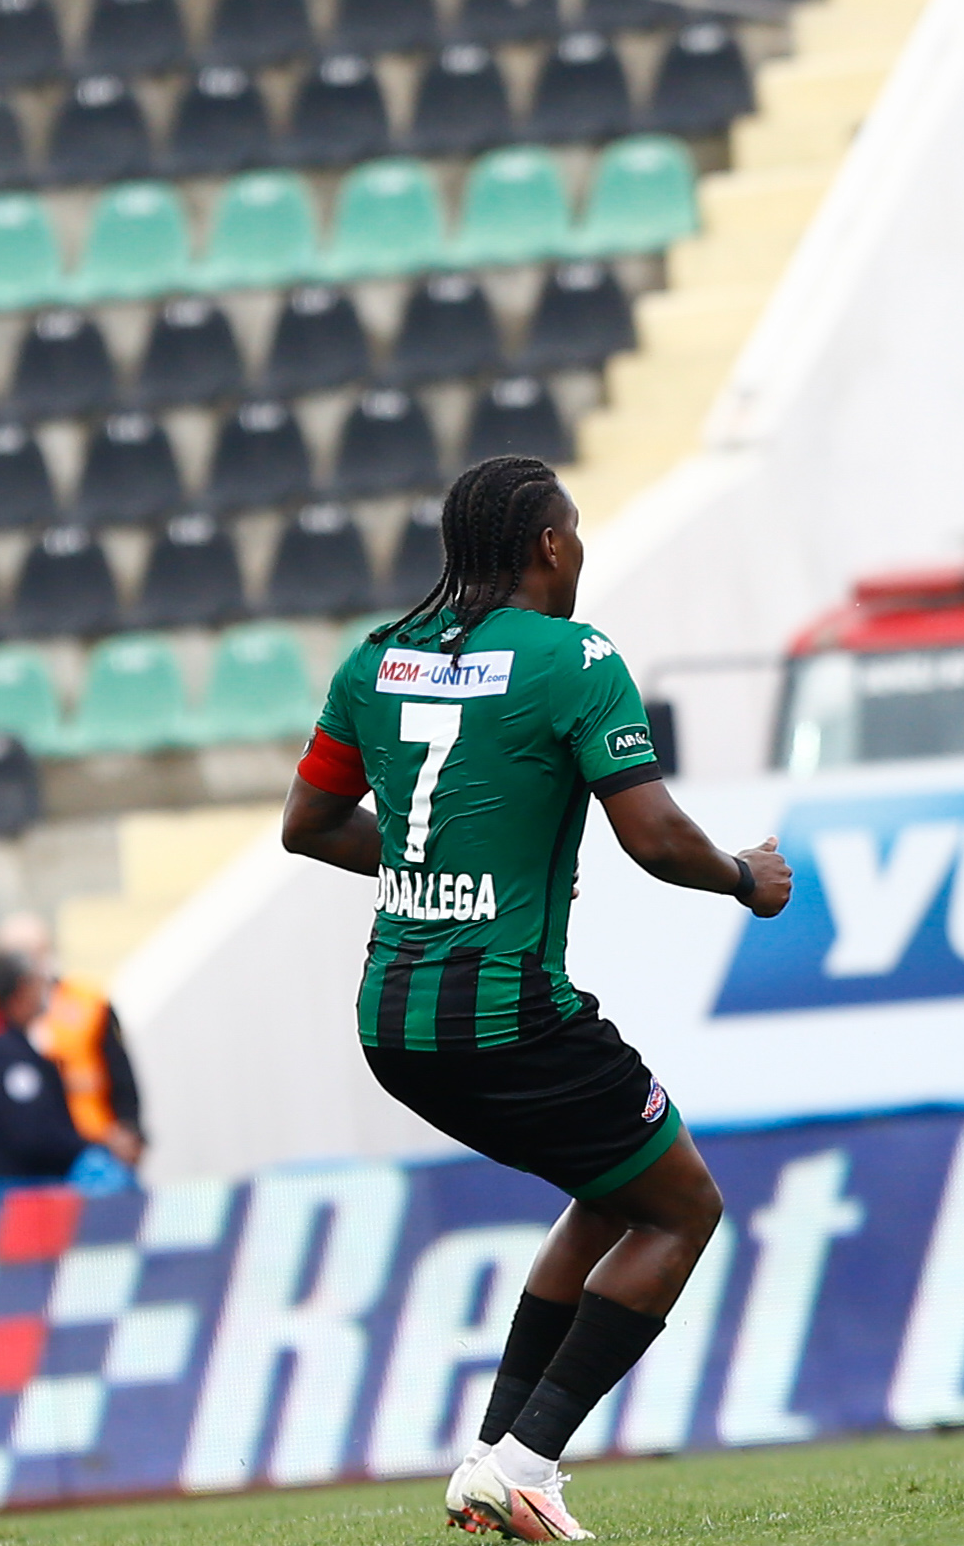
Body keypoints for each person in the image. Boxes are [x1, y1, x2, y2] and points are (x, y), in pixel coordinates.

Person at [280, 453, 791, 1543]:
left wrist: (438, 863)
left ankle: (491, 1459)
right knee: (682, 1206)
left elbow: (308, 826)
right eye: (575, 531)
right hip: (507, 1014)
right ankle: (525, 1463)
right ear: (550, 545)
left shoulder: (376, 657)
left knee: (610, 1191)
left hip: (392, 1024)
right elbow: (654, 837)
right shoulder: (573, 657)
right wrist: (743, 877)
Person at [0, 912, 145, 1168]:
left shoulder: (87, 1003)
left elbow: (120, 1075)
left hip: (92, 1146)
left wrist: (129, 1130)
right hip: (26, 1162)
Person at [0, 952, 90, 1183]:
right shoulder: (2, 1057)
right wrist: (93, 1149)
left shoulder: (2, 1048)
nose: (49, 990)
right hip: (0, 1197)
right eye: (41, 982)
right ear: (24, 989)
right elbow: (33, 1134)